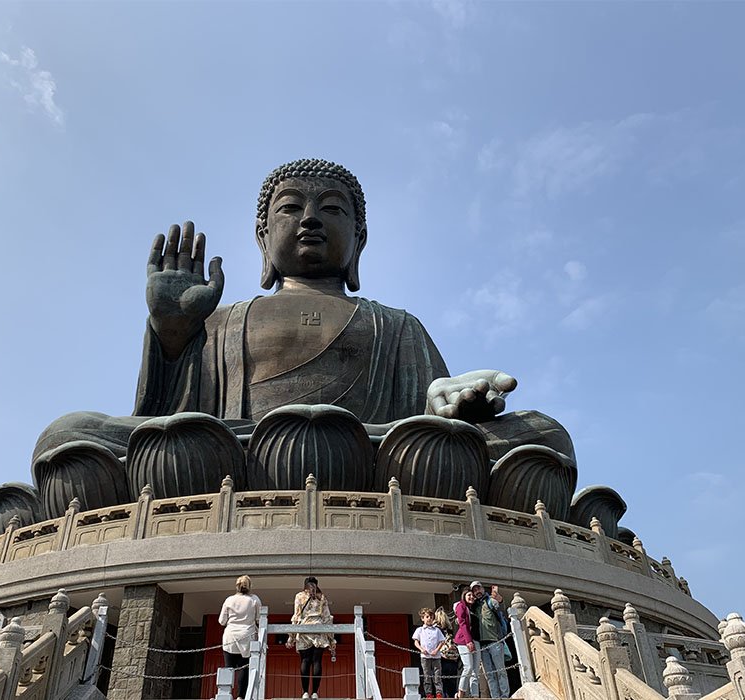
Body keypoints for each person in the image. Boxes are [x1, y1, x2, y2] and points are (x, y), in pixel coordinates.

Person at [32, 159, 574, 501]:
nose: (310, 219)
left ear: (358, 241)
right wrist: (173, 336)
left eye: (331, 210)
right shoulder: (221, 320)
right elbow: (170, 421)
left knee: (545, 435)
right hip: (233, 453)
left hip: (374, 453)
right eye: (291, 208)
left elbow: (426, 422)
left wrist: (449, 408)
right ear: (263, 237)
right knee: (66, 435)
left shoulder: (396, 325)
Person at [286, 576, 336, 700]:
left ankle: (305, 693)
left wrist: (291, 637)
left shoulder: (299, 596)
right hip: (319, 630)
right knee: (317, 661)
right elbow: (327, 618)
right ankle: (314, 692)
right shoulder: (322, 597)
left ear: (305, 585)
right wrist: (331, 639)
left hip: (304, 631)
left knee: (305, 661)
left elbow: (296, 616)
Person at [219, 575, 262, 700]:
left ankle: (226, 694)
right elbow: (259, 619)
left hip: (230, 636)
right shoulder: (254, 599)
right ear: (250, 586)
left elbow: (222, 621)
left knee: (229, 666)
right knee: (244, 667)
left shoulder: (229, 600)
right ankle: (240, 696)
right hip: (246, 636)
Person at [470, 582, 509, 699]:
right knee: (489, 674)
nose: (477, 591)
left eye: (479, 588)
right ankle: (495, 697)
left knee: (500, 670)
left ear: (483, 589)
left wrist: (498, 597)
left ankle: (505, 696)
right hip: (482, 645)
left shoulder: (490, 601)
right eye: (474, 590)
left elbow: (499, 606)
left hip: (495, 641)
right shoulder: (474, 606)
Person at [413, 607, 446, 699]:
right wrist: (421, 649)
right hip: (425, 656)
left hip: (436, 656)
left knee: (437, 675)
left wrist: (436, 650)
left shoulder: (437, 630)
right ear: (423, 618)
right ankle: (428, 693)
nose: (429, 619)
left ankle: (439, 693)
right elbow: (416, 641)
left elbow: (442, 641)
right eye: (427, 617)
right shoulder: (420, 630)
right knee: (427, 675)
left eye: (431, 617)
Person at [453, 588, 480, 698]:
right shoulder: (461, 606)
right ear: (464, 595)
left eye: (473, 595)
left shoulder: (472, 608)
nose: (471, 597)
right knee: (468, 666)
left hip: (475, 640)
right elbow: (462, 623)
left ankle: (475, 694)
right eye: (469, 595)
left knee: (475, 670)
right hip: (463, 641)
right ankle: (461, 691)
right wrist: (468, 641)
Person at [435, 607, 461, 699]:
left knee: (441, 680)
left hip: (441, 658)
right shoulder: (449, 630)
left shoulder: (435, 630)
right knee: (452, 682)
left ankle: (444, 696)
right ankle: (452, 696)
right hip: (452, 659)